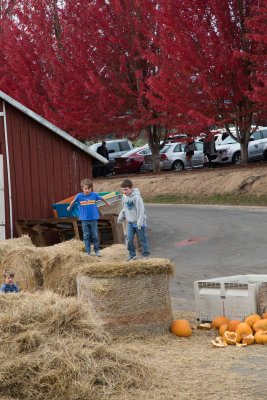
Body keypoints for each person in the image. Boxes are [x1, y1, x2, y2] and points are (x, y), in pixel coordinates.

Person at [67, 179, 111, 256]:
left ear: (91, 188)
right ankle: (88, 252)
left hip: (93, 219)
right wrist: (69, 207)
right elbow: (73, 201)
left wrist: (107, 203)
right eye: (85, 189)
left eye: (89, 189)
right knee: (86, 236)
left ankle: (97, 250)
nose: (87, 190)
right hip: (84, 219)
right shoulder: (79, 196)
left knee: (95, 235)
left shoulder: (94, 195)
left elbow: (102, 198)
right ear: (82, 188)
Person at [118, 179, 150, 261]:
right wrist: (121, 216)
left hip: (139, 222)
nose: (124, 192)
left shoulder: (137, 197)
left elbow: (141, 210)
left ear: (131, 188)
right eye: (123, 190)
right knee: (129, 238)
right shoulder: (124, 197)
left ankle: (146, 253)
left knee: (142, 238)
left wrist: (140, 222)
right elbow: (125, 208)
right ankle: (132, 254)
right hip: (130, 222)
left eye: (126, 189)